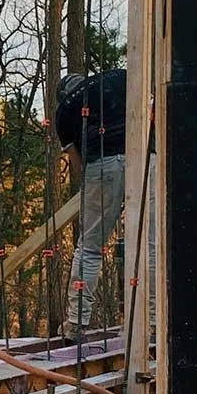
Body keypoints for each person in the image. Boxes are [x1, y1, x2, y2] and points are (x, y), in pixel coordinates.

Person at [57, 66, 126, 340]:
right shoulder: (117, 76)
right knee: (148, 245)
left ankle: (75, 325)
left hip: (103, 166)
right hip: (147, 156)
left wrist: (96, 194)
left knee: (89, 247)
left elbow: (79, 165)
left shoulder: (64, 112)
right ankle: (153, 322)